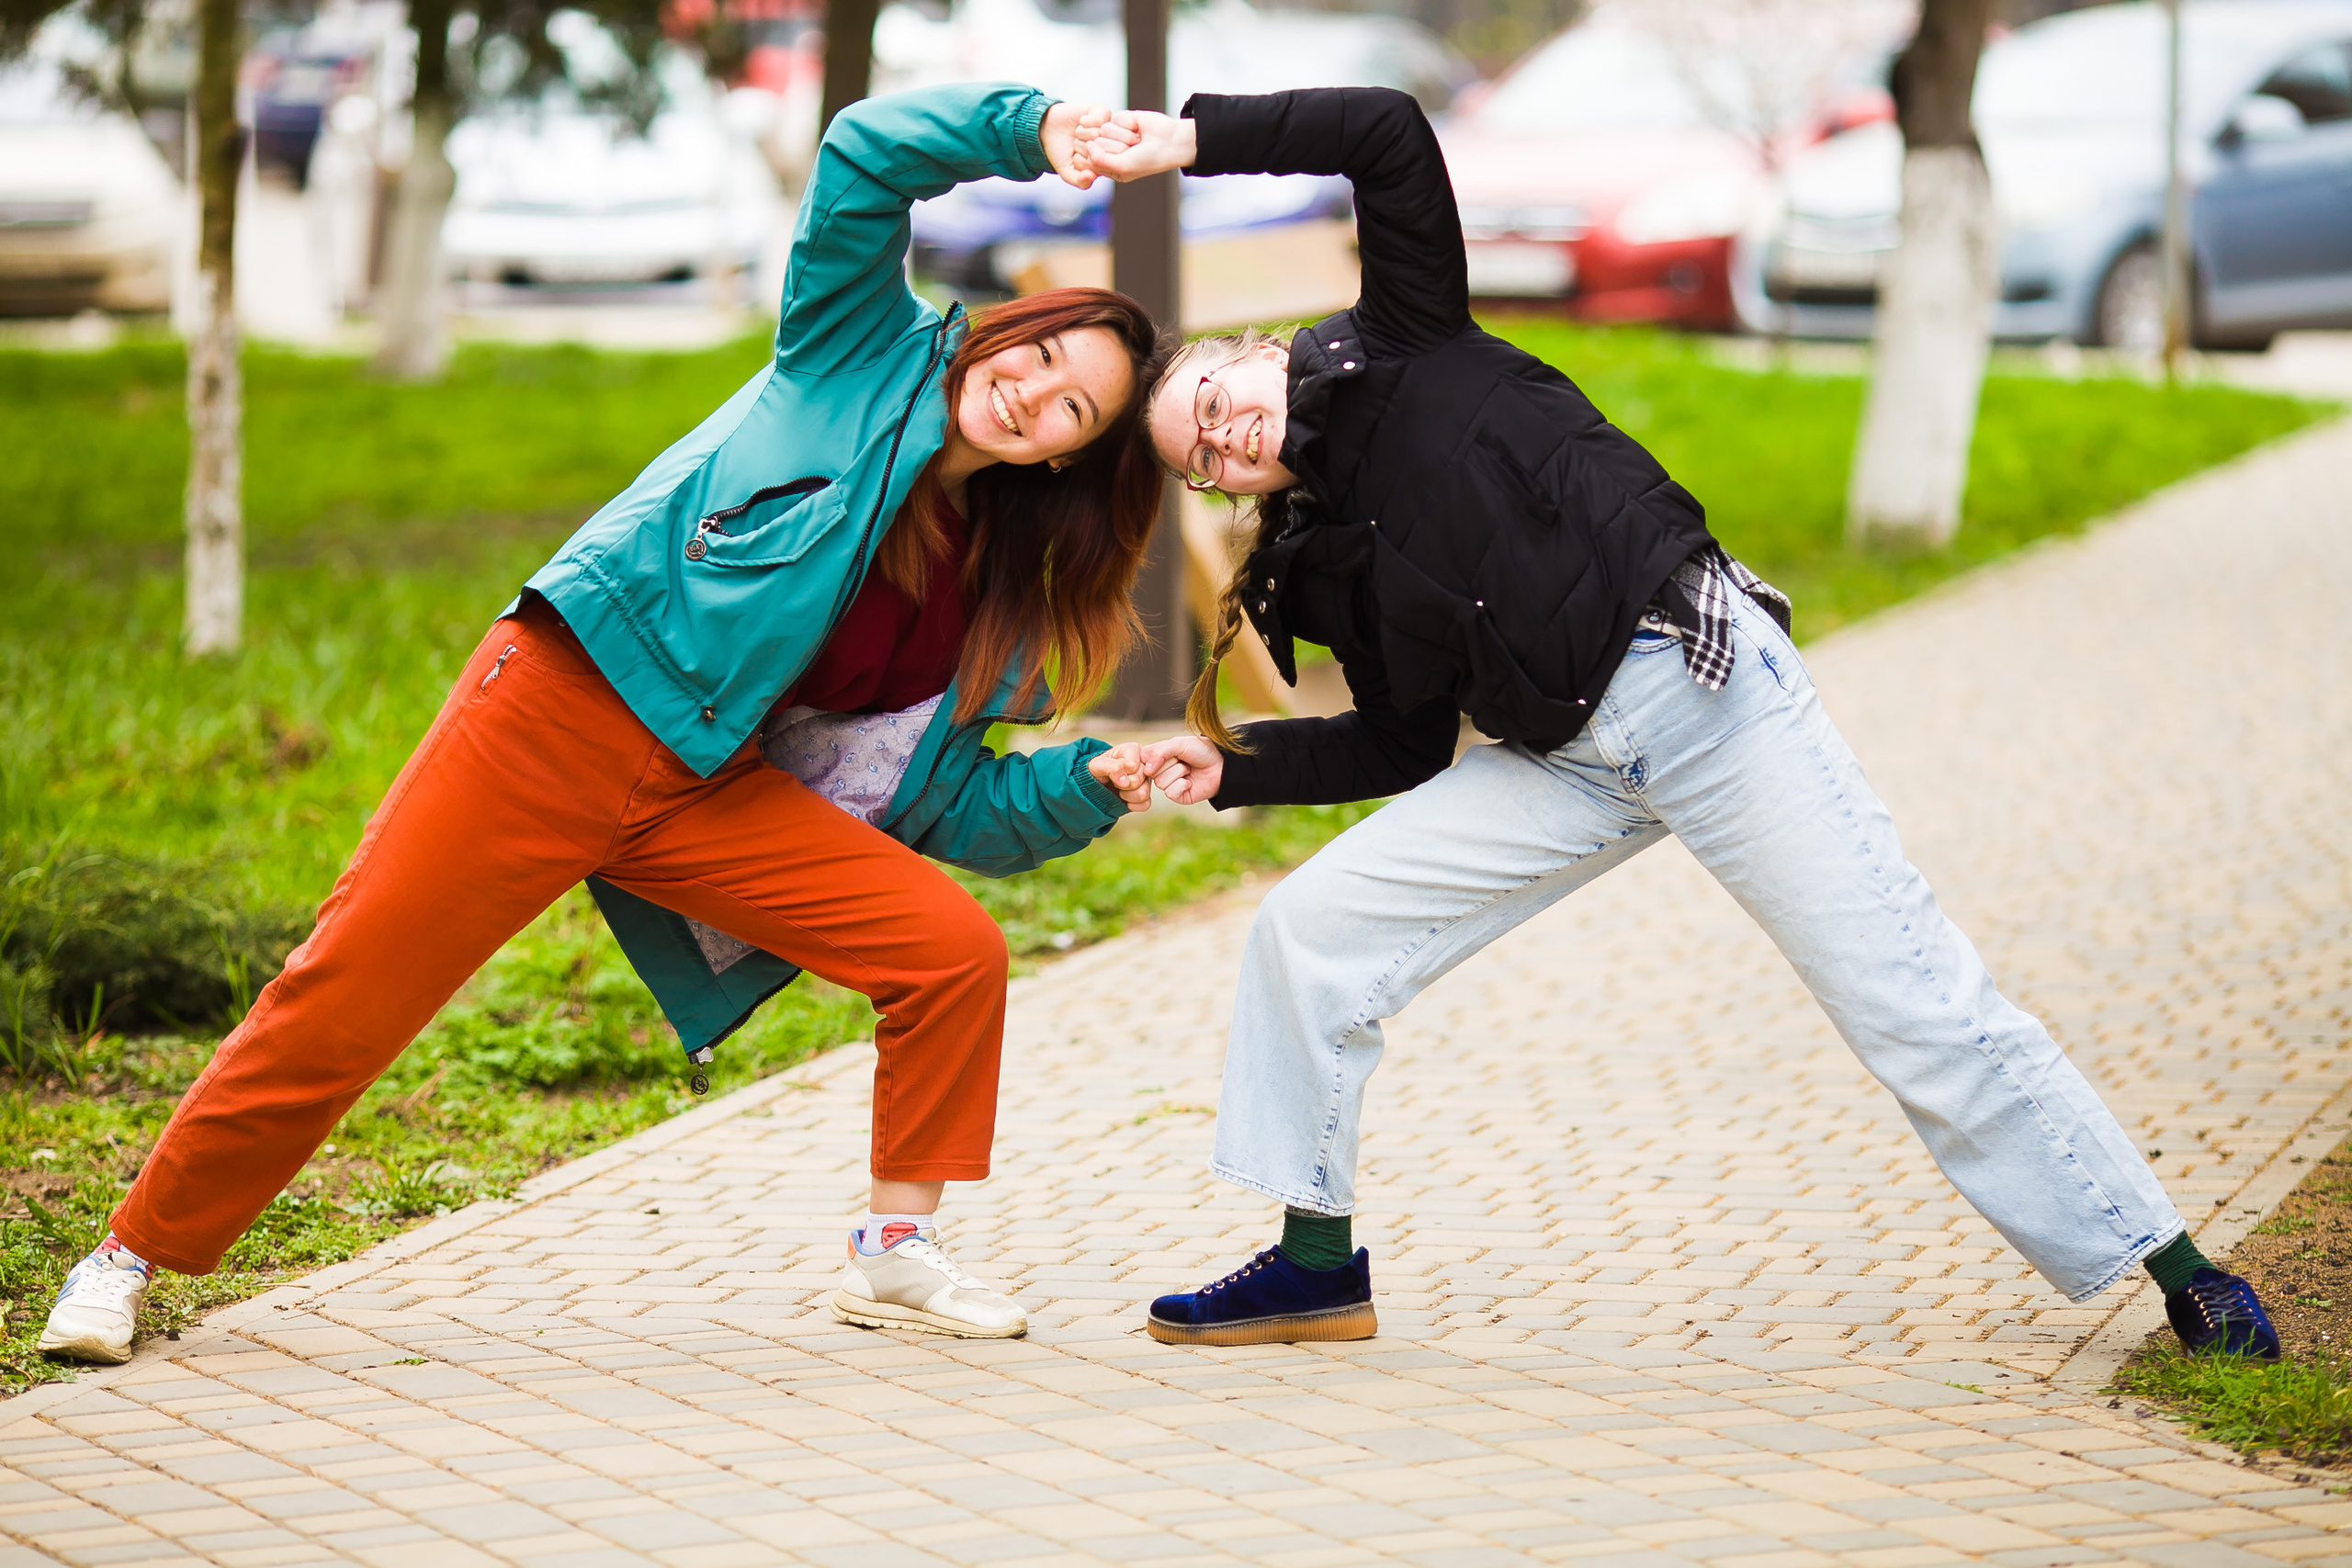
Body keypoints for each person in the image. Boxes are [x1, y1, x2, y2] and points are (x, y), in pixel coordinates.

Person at [1081, 87, 2280, 1359]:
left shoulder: (1407, 334)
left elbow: (1384, 132)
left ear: (1260, 353)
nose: (1227, 438)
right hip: (1565, 764)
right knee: (1310, 929)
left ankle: (2178, 1266)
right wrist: (1229, 764)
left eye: (1216, 399)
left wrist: (1192, 140)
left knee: (1911, 1003)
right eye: (1204, 457)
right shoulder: (1319, 562)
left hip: (1699, 690)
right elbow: (1399, 744)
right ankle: (1315, 1268)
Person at [40, 84, 1168, 1366]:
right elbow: (862, 153)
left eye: (1072, 408)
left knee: (949, 949)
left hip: (704, 790)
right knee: (346, 993)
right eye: (1041, 355)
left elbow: (947, 801)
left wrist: (1093, 784)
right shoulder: (854, 347)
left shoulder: (994, 594)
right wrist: (1035, 130)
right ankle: (128, 1254)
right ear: (1009, 329)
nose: (1031, 393)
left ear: (1068, 459)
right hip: (558, 711)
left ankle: (895, 1252)